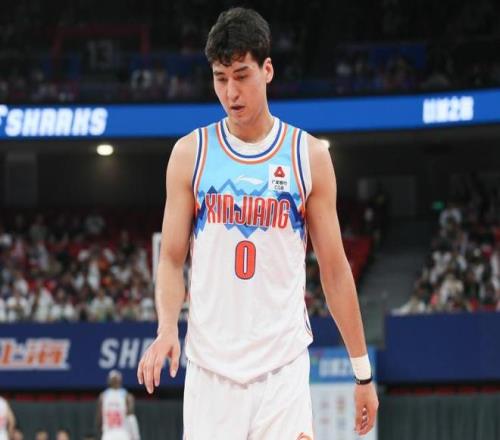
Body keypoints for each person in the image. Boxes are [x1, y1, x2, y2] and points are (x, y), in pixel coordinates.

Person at [137, 7, 378, 439]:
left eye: (241, 75)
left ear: (267, 70)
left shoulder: (308, 156)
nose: (231, 92)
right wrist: (166, 326)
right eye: (220, 78)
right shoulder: (191, 153)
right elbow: (171, 259)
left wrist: (362, 373)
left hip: (281, 369)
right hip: (211, 372)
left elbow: (335, 270)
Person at [97, 370, 140, 440]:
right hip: (114, 433)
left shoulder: (103, 396)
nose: (115, 381)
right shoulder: (127, 396)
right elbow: (131, 416)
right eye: (114, 379)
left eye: (115, 379)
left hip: (119, 433)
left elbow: (130, 417)